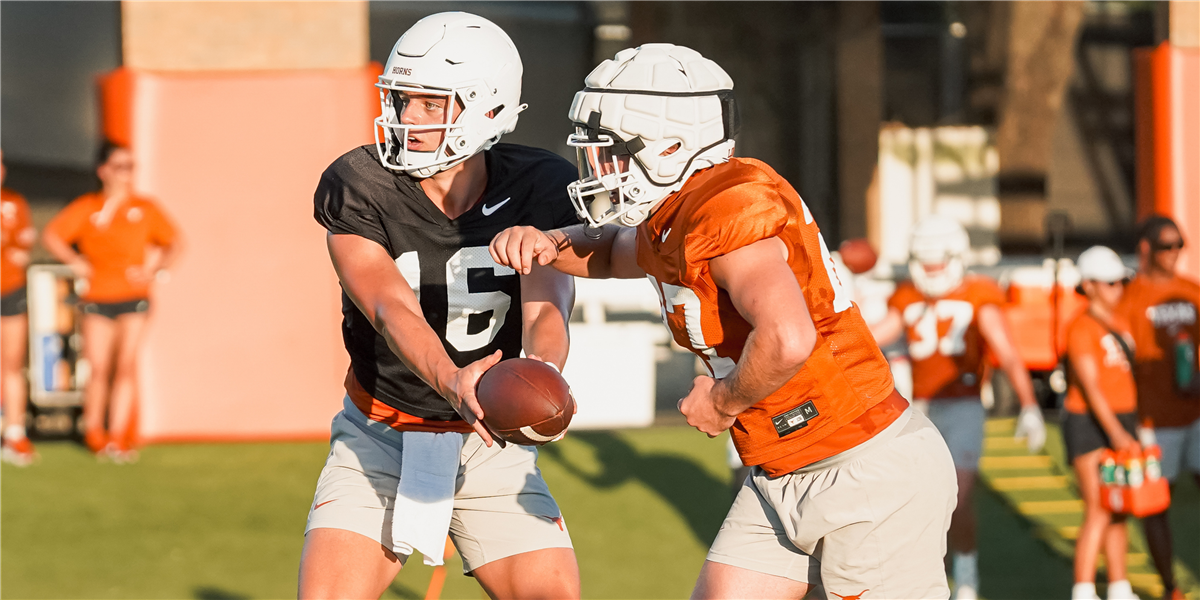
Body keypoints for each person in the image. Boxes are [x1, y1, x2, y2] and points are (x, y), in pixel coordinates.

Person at [490, 43, 957, 600]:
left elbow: (787, 338)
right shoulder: (675, 211)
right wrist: (547, 243)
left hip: (863, 467)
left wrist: (722, 402)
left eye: (611, 152)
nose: (599, 169)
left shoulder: (728, 206)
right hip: (781, 468)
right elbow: (616, 253)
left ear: (669, 146)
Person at [297, 13, 580, 600]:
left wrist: (543, 375)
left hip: (490, 444)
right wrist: (453, 379)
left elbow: (547, 303)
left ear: (490, 109)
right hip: (380, 433)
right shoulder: (360, 181)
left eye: (432, 103)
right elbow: (388, 305)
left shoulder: (539, 183)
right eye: (402, 101)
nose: (409, 120)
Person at [869, 214, 1046, 600]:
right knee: (914, 499)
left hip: (964, 405)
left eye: (937, 263)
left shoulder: (978, 294)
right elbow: (873, 338)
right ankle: (925, 575)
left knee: (959, 496)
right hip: (918, 408)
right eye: (925, 262)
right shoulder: (907, 295)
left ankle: (966, 575)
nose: (930, 272)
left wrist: (1029, 404)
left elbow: (1007, 351)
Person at [42, 141, 181, 462]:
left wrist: (155, 271)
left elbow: (175, 243)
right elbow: (53, 234)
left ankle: (118, 435)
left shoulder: (145, 208)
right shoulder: (89, 207)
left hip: (133, 296)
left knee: (125, 366)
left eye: (131, 166)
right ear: (103, 171)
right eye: (120, 167)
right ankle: (95, 432)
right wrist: (75, 262)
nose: (127, 174)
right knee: (99, 366)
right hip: (96, 295)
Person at [1117, 215, 1198, 600]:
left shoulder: (1192, 291)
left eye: (1180, 244)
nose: (1175, 253)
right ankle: (1171, 588)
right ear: (1146, 248)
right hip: (1153, 417)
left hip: (1196, 413)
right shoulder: (1131, 296)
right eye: (1167, 246)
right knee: (1156, 505)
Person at [1063, 246, 1140, 600]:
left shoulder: (1121, 320)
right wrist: (1118, 434)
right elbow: (1091, 388)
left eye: (1120, 282)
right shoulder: (1081, 327)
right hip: (1089, 421)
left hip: (1123, 417)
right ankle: (1083, 589)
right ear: (1089, 285)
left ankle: (1120, 586)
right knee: (1098, 507)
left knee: (1120, 506)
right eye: (1109, 283)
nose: (1117, 289)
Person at [0, 148, 38, 466]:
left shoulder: (14, 203)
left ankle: (14, 433)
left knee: (11, 363)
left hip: (9, 289)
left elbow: (23, 246)